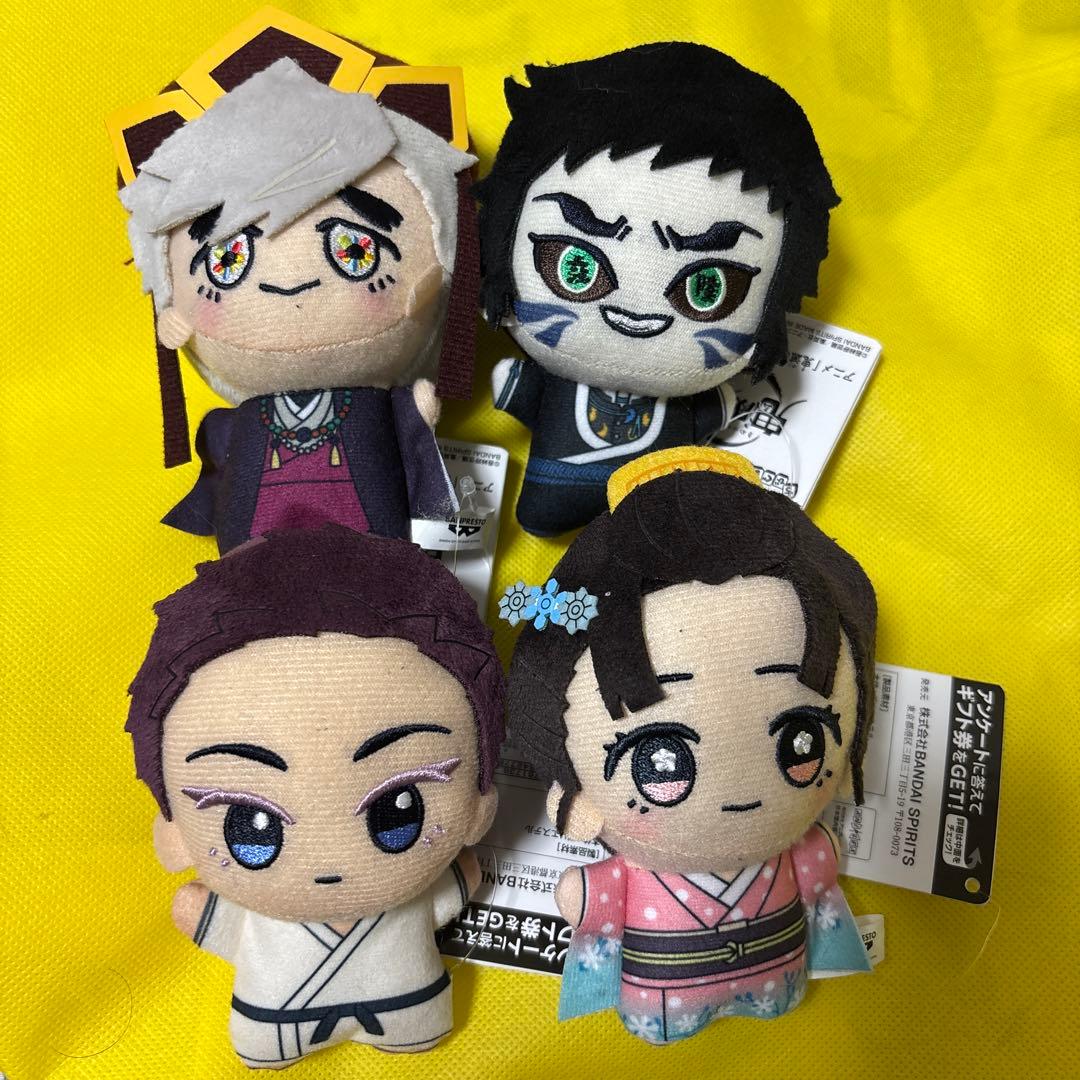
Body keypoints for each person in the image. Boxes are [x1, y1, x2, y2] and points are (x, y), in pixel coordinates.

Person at [505, 448, 875, 1043]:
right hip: (663, 992)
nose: (738, 793)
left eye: (800, 742)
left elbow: (581, 899)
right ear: (576, 795)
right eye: (660, 762)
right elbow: (587, 897)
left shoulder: (794, 848)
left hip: (766, 972)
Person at [127, 526, 505, 1065]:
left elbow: (199, 916)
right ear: (176, 836)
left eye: (396, 812)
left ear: (474, 810)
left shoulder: (410, 899)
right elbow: (465, 878)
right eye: (250, 827)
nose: (329, 866)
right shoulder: (413, 900)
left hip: (383, 1005)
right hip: (282, 1020)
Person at [109, 14, 481, 551]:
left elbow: (417, 444)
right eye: (228, 260)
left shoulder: (378, 407)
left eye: (355, 251)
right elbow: (218, 449)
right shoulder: (239, 422)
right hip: (255, 547)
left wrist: (415, 412)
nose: (292, 285)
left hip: (373, 546)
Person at [475, 44, 840, 535]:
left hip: (657, 511)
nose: (634, 310)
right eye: (576, 267)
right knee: (552, 517)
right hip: (567, 486)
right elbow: (521, 391)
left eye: (707, 288)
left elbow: (713, 412)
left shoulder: (687, 402)